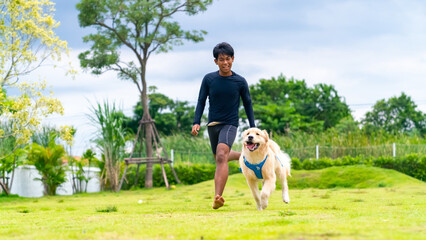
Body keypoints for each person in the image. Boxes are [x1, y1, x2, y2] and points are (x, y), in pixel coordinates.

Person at [191, 42, 256, 209]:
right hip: (213, 125)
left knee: (221, 155)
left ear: (233, 59)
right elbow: (201, 101)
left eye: (228, 59)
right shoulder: (209, 79)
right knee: (221, 157)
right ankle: (243, 154)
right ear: (215, 61)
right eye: (221, 59)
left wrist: (253, 127)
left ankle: (217, 197)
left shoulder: (240, 81)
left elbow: (248, 104)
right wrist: (196, 121)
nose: (225, 62)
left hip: (230, 124)